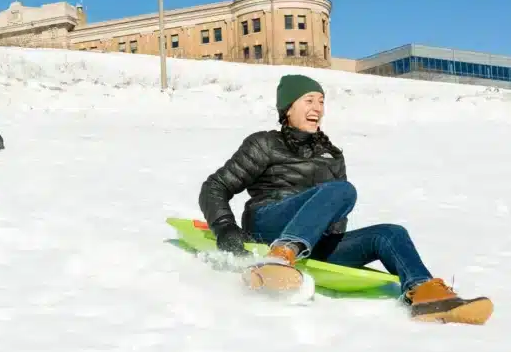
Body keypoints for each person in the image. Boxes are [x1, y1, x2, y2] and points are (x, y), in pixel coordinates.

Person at [197, 74, 493, 325]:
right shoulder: (263, 143)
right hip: (267, 221)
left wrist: (333, 238)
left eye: (321, 101)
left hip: (310, 241)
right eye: (309, 100)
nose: (318, 108)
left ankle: (426, 294)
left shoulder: (331, 155)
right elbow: (215, 186)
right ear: (288, 108)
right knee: (342, 190)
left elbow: (334, 213)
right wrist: (224, 227)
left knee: (390, 233)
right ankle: (280, 255)